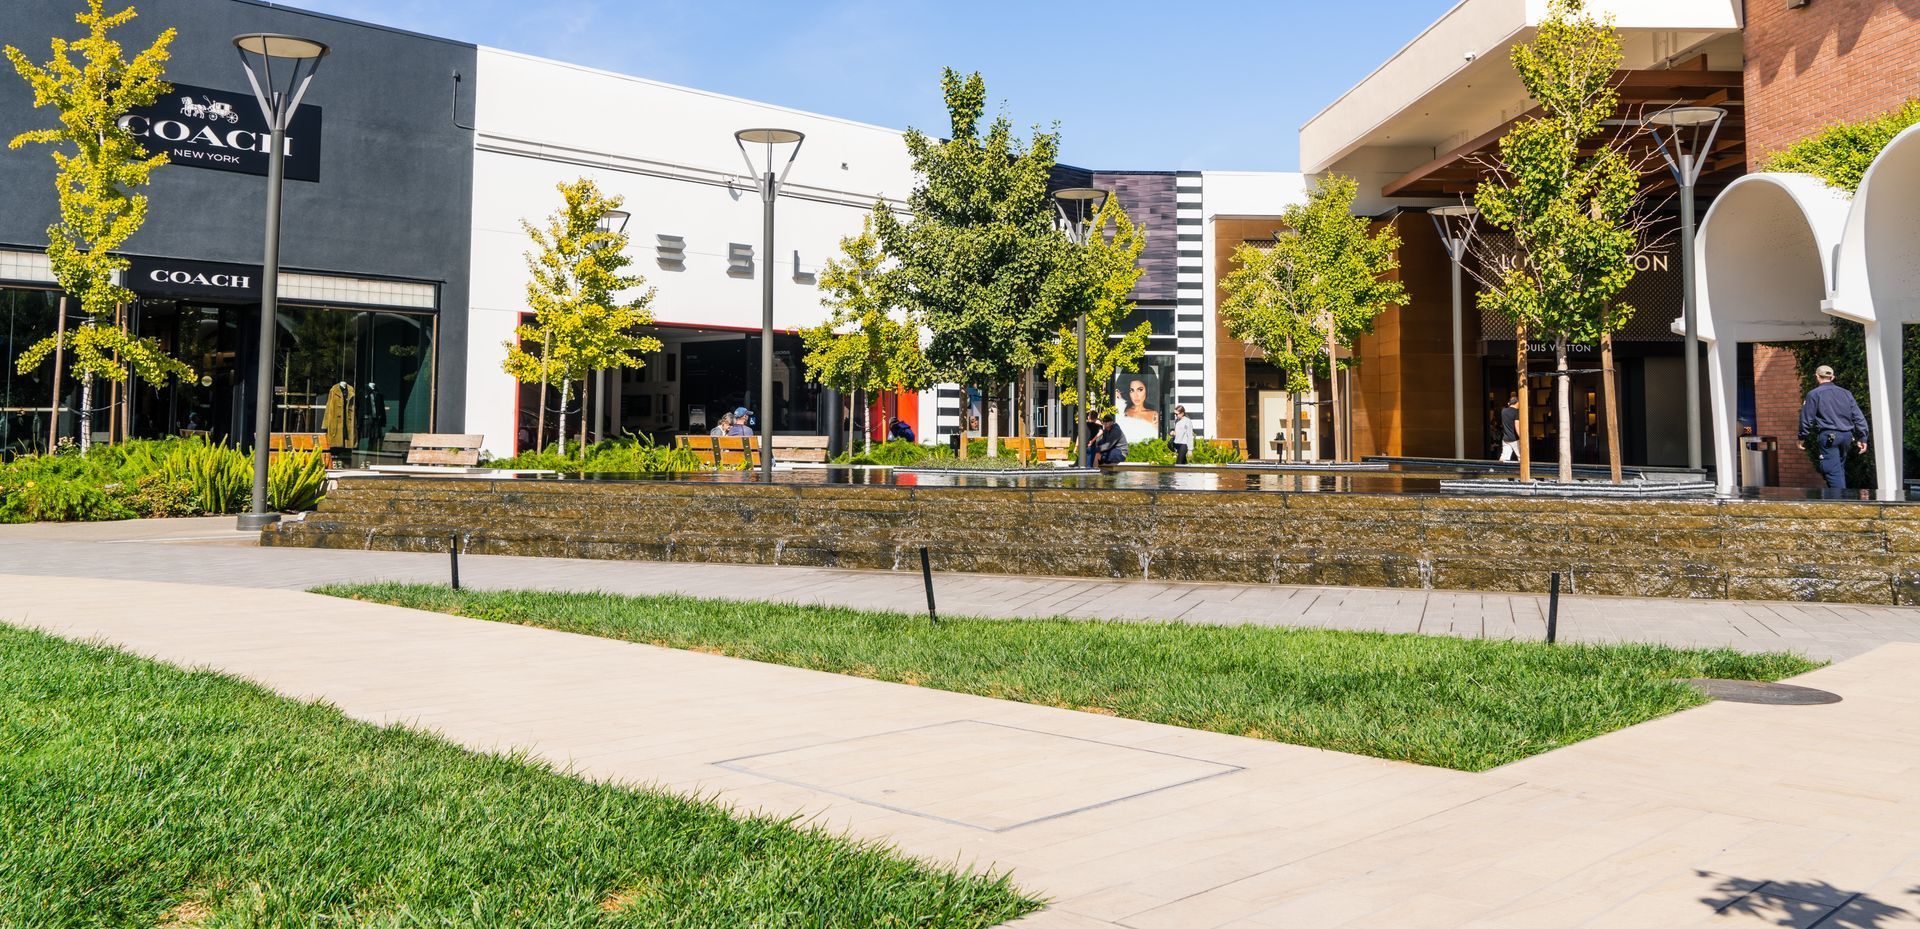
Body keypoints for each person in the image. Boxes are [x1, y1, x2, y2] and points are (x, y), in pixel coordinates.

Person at [1797, 364, 1868, 493]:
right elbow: (1858, 416)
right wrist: (1863, 437)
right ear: (1833, 377)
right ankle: (1840, 498)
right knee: (1838, 469)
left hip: (1829, 436)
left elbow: (1806, 419)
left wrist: (1802, 437)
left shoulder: (1814, 394)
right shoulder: (1846, 393)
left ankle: (1839, 504)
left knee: (1832, 471)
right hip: (1846, 436)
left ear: (1817, 376)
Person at [1115, 378, 1159, 443]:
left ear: (1147, 390)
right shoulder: (1122, 409)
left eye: (1140, 390)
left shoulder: (1154, 414)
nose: (1136, 395)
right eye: (1131, 390)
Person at [1498, 394, 1521, 462]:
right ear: (1517, 403)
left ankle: (1498, 470)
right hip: (1515, 439)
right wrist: (1522, 438)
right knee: (1521, 457)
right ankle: (1524, 472)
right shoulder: (1517, 412)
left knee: (1504, 457)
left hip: (1506, 439)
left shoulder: (1503, 411)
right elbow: (1517, 426)